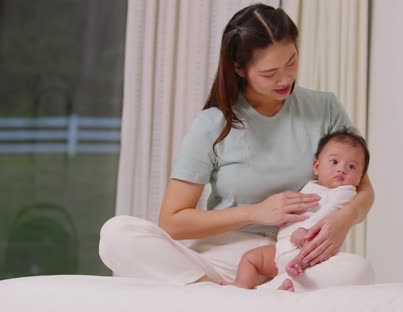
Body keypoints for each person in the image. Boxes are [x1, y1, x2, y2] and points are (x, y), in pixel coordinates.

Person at [98, 3, 375, 291]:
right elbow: (173, 221)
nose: (285, 79)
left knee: (358, 270)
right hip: (226, 257)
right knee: (117, 234)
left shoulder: (324, 108)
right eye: (269, 73)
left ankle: (239, 296)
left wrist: (344, 219)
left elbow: (364, 188)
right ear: (239, 68)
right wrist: (256, 212)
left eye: (291, 61)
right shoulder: (213, 124)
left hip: (297, 260)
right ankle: (238, 294)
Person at [220, 127, 370, 291]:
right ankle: (242, 287)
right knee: (250, 258)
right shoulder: (311, 186)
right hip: (281, 249)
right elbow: (300, 212)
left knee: (342, 267)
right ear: (316, 166)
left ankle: (275, 288)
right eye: (334, 162)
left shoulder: (344, 192)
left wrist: (305, 231)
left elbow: (330, 214)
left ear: (361, 177)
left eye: (351, 167)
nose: (341, 169)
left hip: (308, 250)